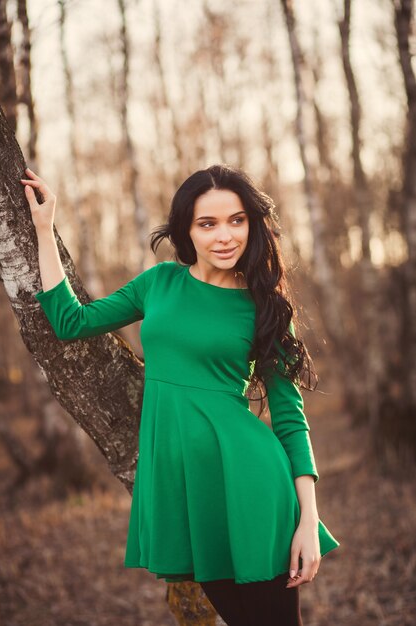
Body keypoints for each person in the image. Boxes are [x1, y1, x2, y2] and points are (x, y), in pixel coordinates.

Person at [21, 164, 340, 626]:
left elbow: (291, 419)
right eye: (207, 223)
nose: (225, 235)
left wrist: (308, 521)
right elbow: (72, 322)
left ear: (252, 224)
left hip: (253, 485)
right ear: (186, 231)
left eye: (236, 220)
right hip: (189, 492)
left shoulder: (264, 306)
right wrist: (43, 228)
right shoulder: (160, 283)